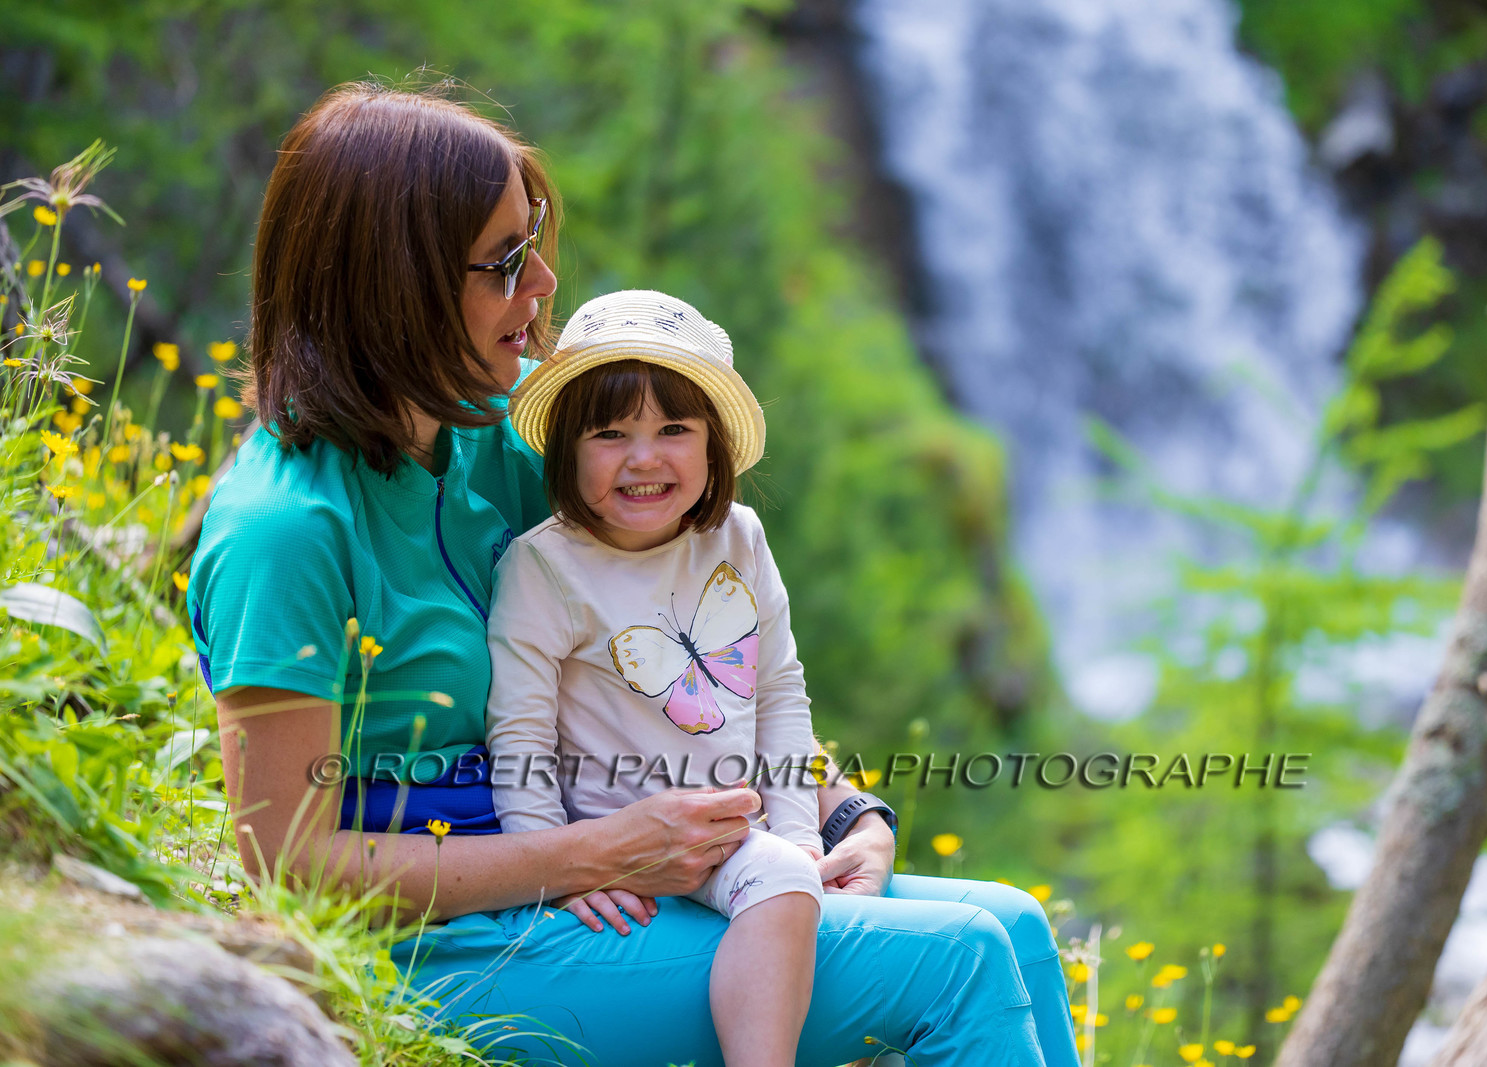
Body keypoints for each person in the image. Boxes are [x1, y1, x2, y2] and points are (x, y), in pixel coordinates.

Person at [186, 80, 1080, 1067]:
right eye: (506, 263)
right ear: (394, 282)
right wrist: (585, 854)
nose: (544, 290)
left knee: (1015, 921)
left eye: (536, 247)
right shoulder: (285, 532)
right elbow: (290, 863)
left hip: (608, 844)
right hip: (437, 946)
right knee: (956, 963)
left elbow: (708, 639)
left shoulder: (499, 424)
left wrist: (844, 809)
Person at [486, 290, 829, 1067]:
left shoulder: (737, 537)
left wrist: (800, 829)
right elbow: (520, 734)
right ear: (568, 449)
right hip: (619, 845)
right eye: (611, 434)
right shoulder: (547, 565)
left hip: (736, 832)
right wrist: (556, 866)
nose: (645, 458)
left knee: (794, 875)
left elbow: (778, 689)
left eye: (675, 429)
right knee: (782, 883)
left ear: (713, 447)